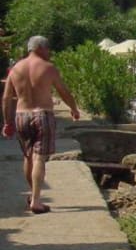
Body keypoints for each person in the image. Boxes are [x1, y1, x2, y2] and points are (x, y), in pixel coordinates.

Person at [2, 36, 81, 214]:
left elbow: (6, 97)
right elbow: (64, 91)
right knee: (39, 158)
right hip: (42, 115)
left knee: (28, 156)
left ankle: (33, 194)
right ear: (40, 48)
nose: (49, 52)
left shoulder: (15, 69)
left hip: (21, 115)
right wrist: (74, 109)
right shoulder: (48, 68)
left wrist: (7, 121)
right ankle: (36, 201)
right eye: (48, 49)